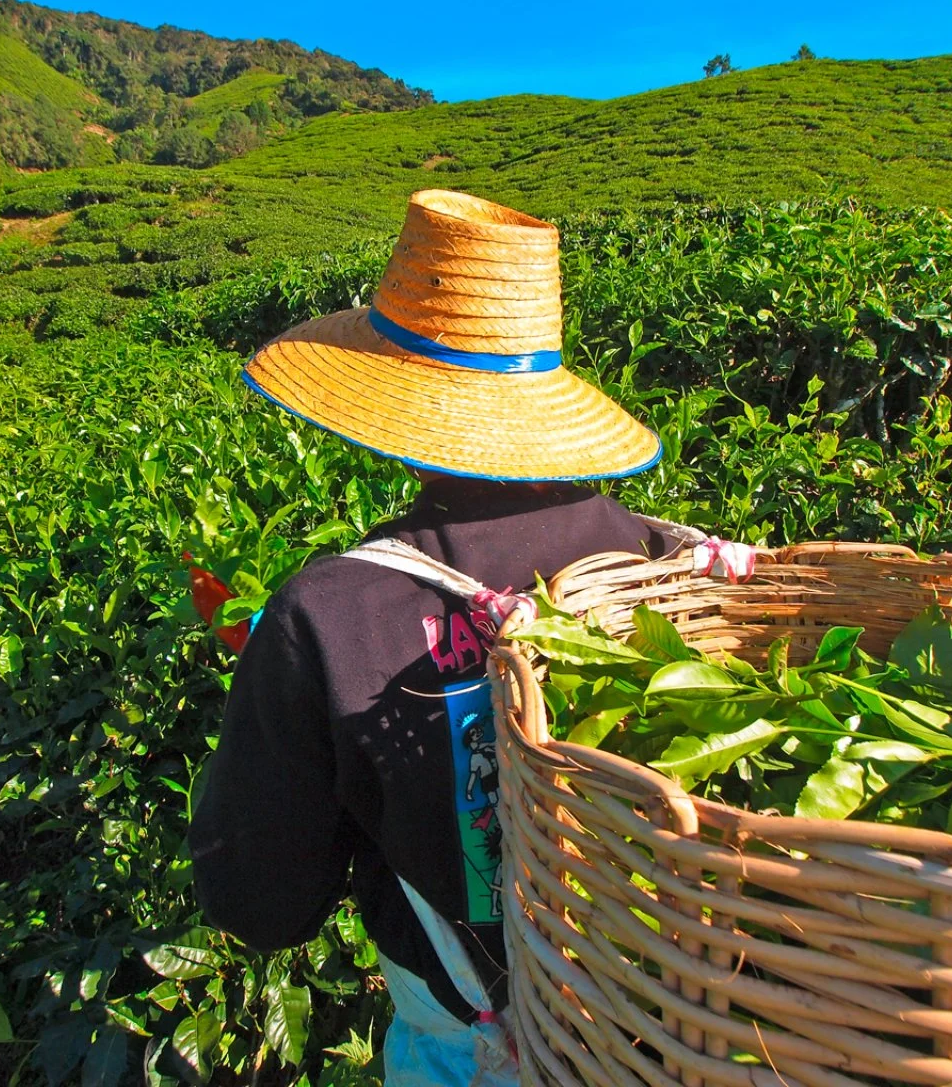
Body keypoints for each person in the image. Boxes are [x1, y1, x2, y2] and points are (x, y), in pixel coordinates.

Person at [189, 189, 670, 1086]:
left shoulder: (328, 614)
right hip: (668, 1024)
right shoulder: (663, 559)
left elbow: (262, 905)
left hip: (478, 1047)